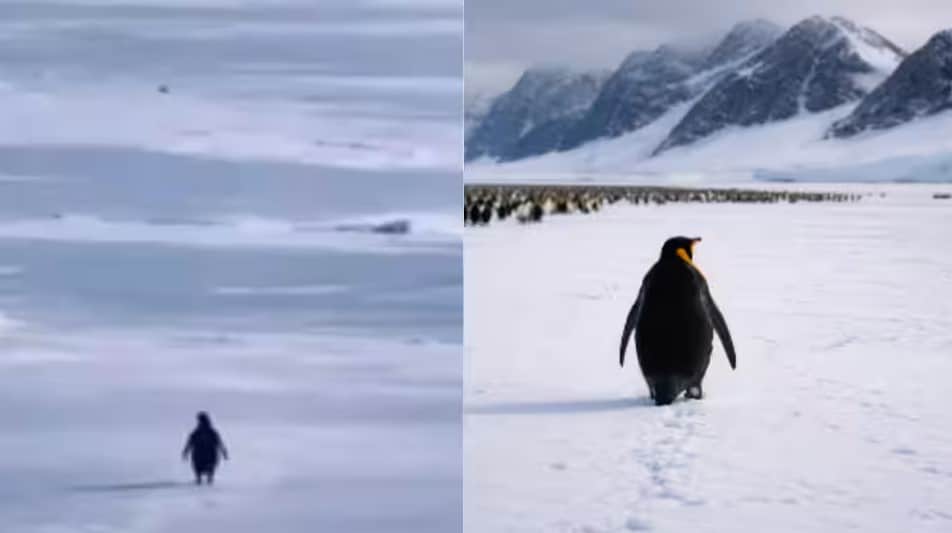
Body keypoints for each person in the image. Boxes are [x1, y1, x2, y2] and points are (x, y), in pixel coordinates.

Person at [181, 411, 228, 485]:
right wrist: (224, 452)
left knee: (202, 472)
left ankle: (201, 481)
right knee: (206, 472)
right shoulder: (207, 432)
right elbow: (219, 443)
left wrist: (185, 452)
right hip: (206, 456)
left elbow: (190, 443)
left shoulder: (201, 432)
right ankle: (204, 481)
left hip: (204, 456)